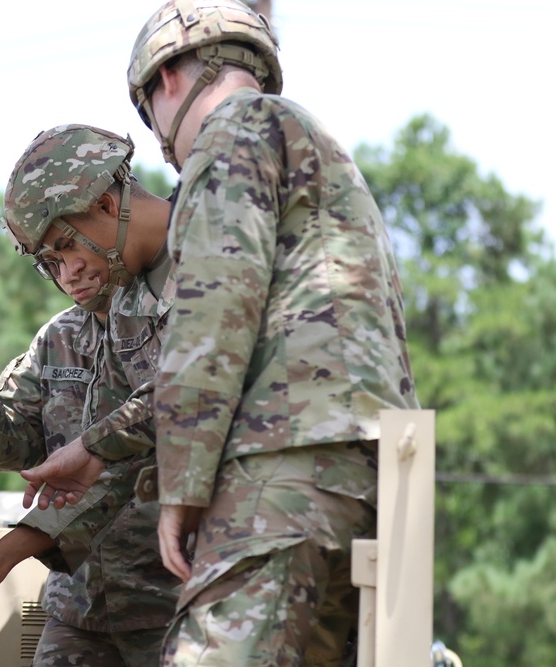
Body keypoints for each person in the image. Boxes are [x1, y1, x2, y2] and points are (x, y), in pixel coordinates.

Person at [24, 2, 421, 665]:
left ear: (170, 78)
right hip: (349, 468)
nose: (163, 144)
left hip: (286, 464)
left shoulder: (230, 132)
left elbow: (212, 316)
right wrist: (101, 446)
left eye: (151, 118)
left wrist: (182, 485)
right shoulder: (302, 138)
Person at [0, 124, 180, 666]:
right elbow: (14, 441)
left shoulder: (195, 288)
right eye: (48, 261)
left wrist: (7, 552)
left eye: (68, 247)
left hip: (175, 601)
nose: (66, 272)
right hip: (82, 610)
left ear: (104, 203)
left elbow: (140, 447)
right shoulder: (61, 337)